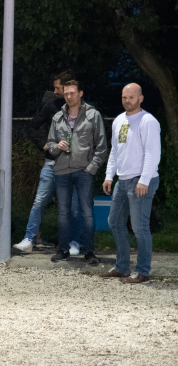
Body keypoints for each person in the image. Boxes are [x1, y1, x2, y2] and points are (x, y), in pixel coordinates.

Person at [13, 70, 83, 255]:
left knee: (73, 207)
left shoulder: (83, 109)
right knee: (39, 201)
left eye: (58, 87)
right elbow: (32, 126)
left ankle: (74, 241)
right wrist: (44, 144)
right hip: (52, 163)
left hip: (73, 165)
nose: (55, 91)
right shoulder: (51, 106)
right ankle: (29, 238)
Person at [99, 84, 161, 284]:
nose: (127, 101)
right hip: (123, 179)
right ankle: (122, 267)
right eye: (124, 97)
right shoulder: (118, 120)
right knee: (115, 221)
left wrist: (144, 180)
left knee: (139, 227)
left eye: (131, 97)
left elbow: (153, 152)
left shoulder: (148, 121)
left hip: (141, 180)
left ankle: (143, 271)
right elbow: (115, 151)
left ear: (140, 98)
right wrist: (109, 176)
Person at [47, 80, 107, 263]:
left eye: (72, 93)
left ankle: (89, 251)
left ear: (80, 93)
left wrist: (92, 168)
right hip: (62, 171)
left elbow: (102, 145)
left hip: (83, 170)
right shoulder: (58, 117)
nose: (69, 97)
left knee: (86, 211)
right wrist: (57, 146)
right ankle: (63, 250)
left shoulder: (93, 115)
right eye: (66, 94)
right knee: (63, 213)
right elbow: (50, 145)